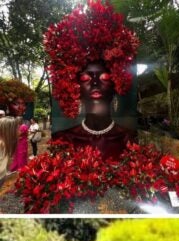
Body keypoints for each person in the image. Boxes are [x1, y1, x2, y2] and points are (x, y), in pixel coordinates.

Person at [46, 0, 139, 161]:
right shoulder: (64, 139)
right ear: (75, 88)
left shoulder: (128, 139)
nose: (95, 83)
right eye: (85, 78)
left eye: (104, 77)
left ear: (116, 85)